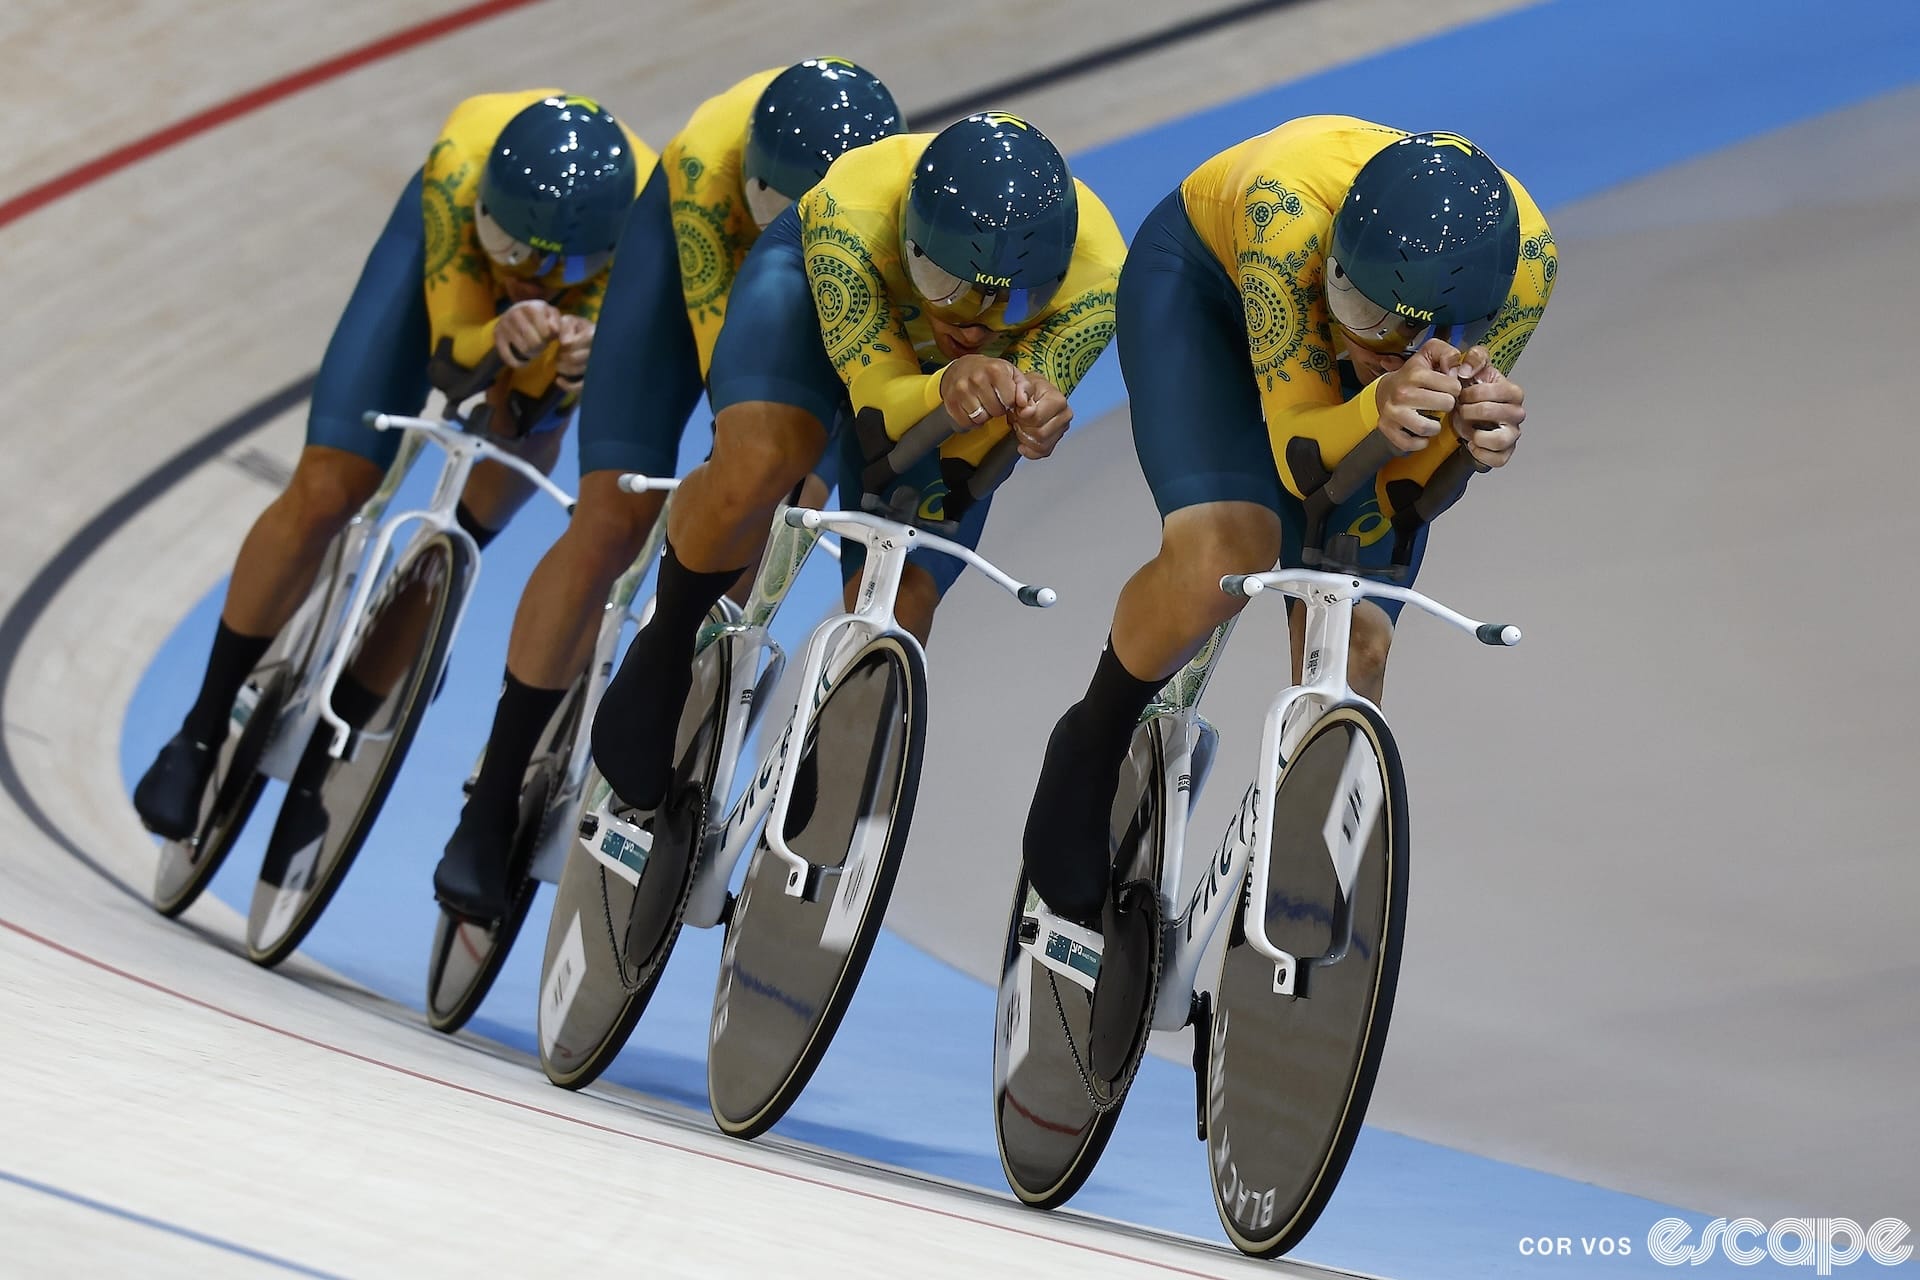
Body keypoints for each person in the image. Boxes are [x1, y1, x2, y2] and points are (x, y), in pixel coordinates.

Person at [1020, 117, 1558, 1076]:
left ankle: (1289, 910)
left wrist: (1472, 446)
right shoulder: (1284, 216)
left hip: (1342, 384)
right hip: (1209, 295)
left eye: (1400, 335)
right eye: (1356, 307)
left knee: (1360, 646)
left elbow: (1401, 493)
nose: (1368, 339)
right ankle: (1093, 737)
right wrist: (1376, 398)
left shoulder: (1525, 266)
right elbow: (1301, 457)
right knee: (1227, 552)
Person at [578, 111, 1125, 860]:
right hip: (812, 308)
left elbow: (979, 446)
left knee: (911, 592)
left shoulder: (1098, 276)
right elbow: (874, 401)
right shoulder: (854, 207)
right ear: (908, 238)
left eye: (1013, 304)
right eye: (944, 282)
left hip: (936, 388)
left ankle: (817, 803)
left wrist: (1032, 414)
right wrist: (953, 380)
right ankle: (669, 636)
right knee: (767, 460)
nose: (970, 321)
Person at [432, 61, 906, 921]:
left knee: (783, 497)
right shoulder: (707, 167)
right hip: (692, 272)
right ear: (755, 185)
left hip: (835, 291)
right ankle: (492, 797)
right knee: (614, 519)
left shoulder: (880, 204)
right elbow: (730, 359)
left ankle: (686, 716)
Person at [131, 92, 645, 864]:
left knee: (464, 541)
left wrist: (574, 356)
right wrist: (497, 328)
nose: (528, 278)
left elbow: (569, 376)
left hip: (590, 289)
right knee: (328, 489)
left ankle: (328, 763)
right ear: (487, 212)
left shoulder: (634, 228)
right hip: (442, 278)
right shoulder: (458, 168)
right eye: (515, 253)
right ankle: (200, 730)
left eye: (554, 269)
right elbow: (451, 356)